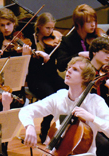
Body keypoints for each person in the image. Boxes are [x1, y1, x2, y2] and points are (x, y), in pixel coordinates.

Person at [26, 12, 66, 143]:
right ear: (39, 27)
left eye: (52, 28)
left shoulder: (54, 42)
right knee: (51, 97)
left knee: (66, 91)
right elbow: (28, 64)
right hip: (36, 78)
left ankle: (63, 127)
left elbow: (59, 64)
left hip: (51, 76)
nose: (51, 32)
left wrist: (61, 47)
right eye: (47, 28)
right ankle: (45, 128)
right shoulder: (31, 41)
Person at [57, 4, 98, 72]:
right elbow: (61, 65)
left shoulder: (95, 38)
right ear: (78, 23)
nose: (93, 24)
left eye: (94, 21)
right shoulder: (67, 41)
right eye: (89, 22)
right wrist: (79, 55)